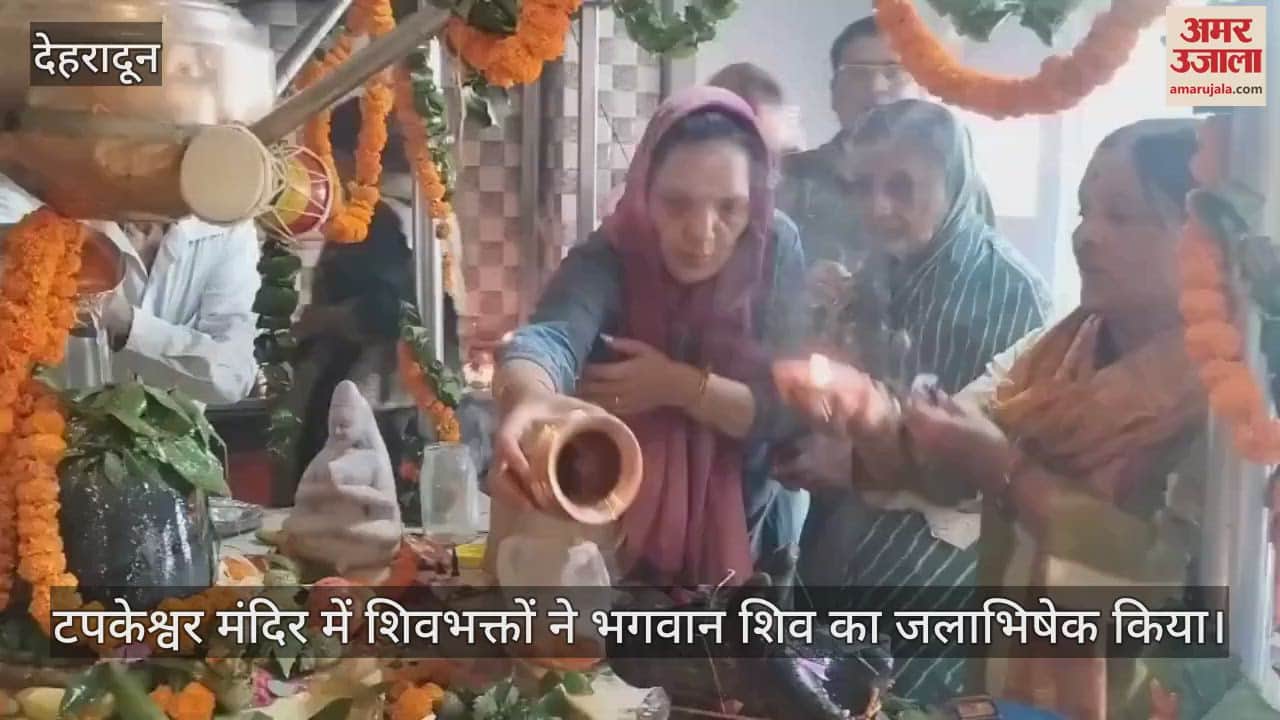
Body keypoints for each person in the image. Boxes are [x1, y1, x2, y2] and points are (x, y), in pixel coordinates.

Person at [775, 119, 1206, 719]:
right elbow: (950, 460)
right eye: (1084, 212)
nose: (1086, 236)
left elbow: (1164, 585)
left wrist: (1007, 473)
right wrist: (871, 413)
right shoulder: (1054, 353)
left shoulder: (1229, 403)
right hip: (1010, 671)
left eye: (1121, 216)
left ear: (1198, 240)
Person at [775, 99, 1049, 704]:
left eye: (902, 187)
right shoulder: (881, 269)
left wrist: (851, 461)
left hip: (940, 576)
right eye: (863, 187)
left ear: (953, 185)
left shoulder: (1004, 290)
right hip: (852, 546)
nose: (878, 207)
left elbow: (975, 475)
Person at [491, 86, 806, 587]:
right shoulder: (614, 252)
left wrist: (678, 386)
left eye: (729, 207)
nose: (702, 232)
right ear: (643, 194)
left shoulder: (774, 247)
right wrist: (530, 397)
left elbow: (786, 409)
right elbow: (550, 338)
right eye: (676, 204)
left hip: (751, 526)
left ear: (756, 203)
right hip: (608, 524)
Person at [291, 96, 465, 493]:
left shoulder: (374, 217)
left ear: (355, 157)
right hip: (418, 399)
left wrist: (320, 321)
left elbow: (389, 311)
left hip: (369, 400)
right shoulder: (432, 211)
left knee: (342, 507)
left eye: (329, 156)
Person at [0, 174, 260, 405]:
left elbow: (231, 376)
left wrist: (124, 322)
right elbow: (9, 209)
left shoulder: (226, 230)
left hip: (174, 442)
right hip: (52, 434)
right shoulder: (48, 198)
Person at [777, 15, 918, 267]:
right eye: (858, 74)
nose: (876, 87)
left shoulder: (955, 184)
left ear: (921, 89)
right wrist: (800, 282)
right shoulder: (790, 179)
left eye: (893, 72)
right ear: (834, 92)